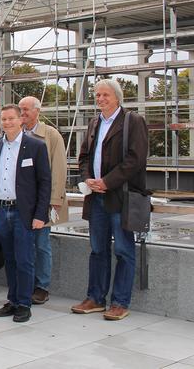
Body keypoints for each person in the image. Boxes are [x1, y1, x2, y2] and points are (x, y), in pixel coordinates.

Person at [72, 79, 148, 321]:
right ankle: (95, 298)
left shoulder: (132, 121)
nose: (100, 99)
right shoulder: (95, 122)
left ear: (117, 97)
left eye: (105, 95)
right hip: (96, 198)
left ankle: (120, 302)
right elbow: (83, 157)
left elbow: (136, 159)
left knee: (124, 250)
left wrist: (107, 181)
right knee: (97, 249)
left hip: (120, 197)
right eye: (97, 95)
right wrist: (89, 179)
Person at [0, 104, 51, 323]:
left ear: (21, 120)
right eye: (3, 119)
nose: (7, 123)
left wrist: (40, 215)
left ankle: (24, 303)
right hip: (1, 211)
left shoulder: (35, 146)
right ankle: (13, 300)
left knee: (25, 259)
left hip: (23, 212)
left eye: (11, 119)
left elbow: (45, 183)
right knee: (10, 259)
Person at [19, 96, 68, 305]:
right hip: (21, 201)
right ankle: (26, 283)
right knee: (24, 244)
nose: (22, 113)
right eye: (20, 109)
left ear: (37, 111)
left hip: (42, 201)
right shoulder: (14, 134)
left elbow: (59, 168)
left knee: (41, 244)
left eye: (26, 110)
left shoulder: (50, 135)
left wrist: (54, 199)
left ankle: (42, 286)